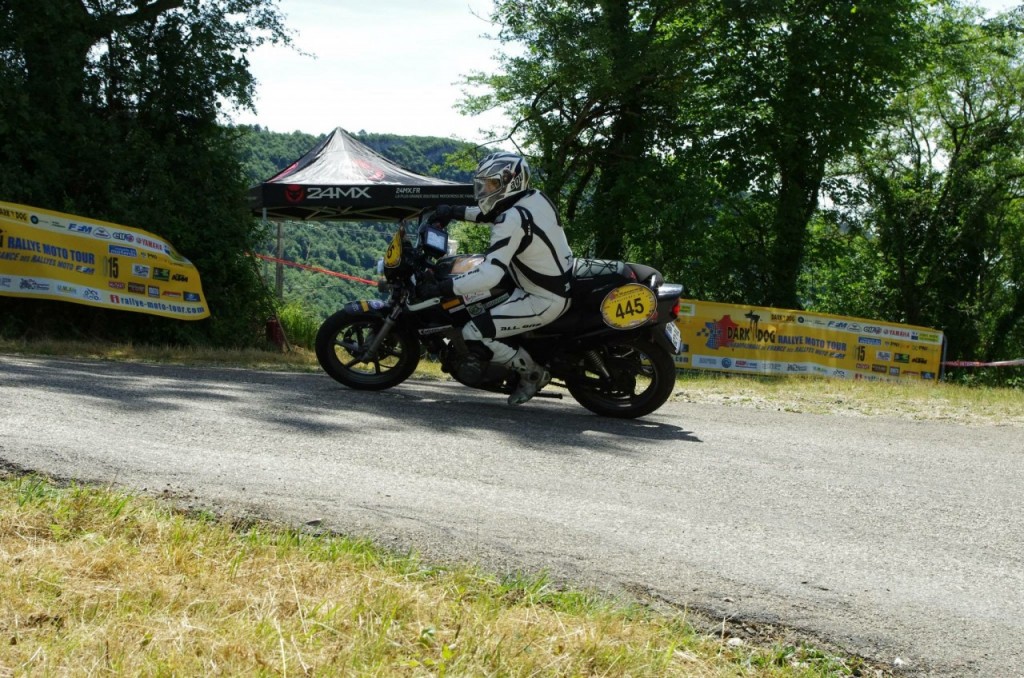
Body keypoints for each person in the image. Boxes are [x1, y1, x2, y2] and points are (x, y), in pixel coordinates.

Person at [419, 152, 574, 405]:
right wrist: (454, 212)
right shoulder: (534, 199)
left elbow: (490, 274)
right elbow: (493, 212)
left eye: (491, 184)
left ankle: (532, 374)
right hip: (547, 280)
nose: (484, 189)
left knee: (474, 330)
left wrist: (443, 287)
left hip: (542, 297)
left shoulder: (511, 220)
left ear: (510, 182)